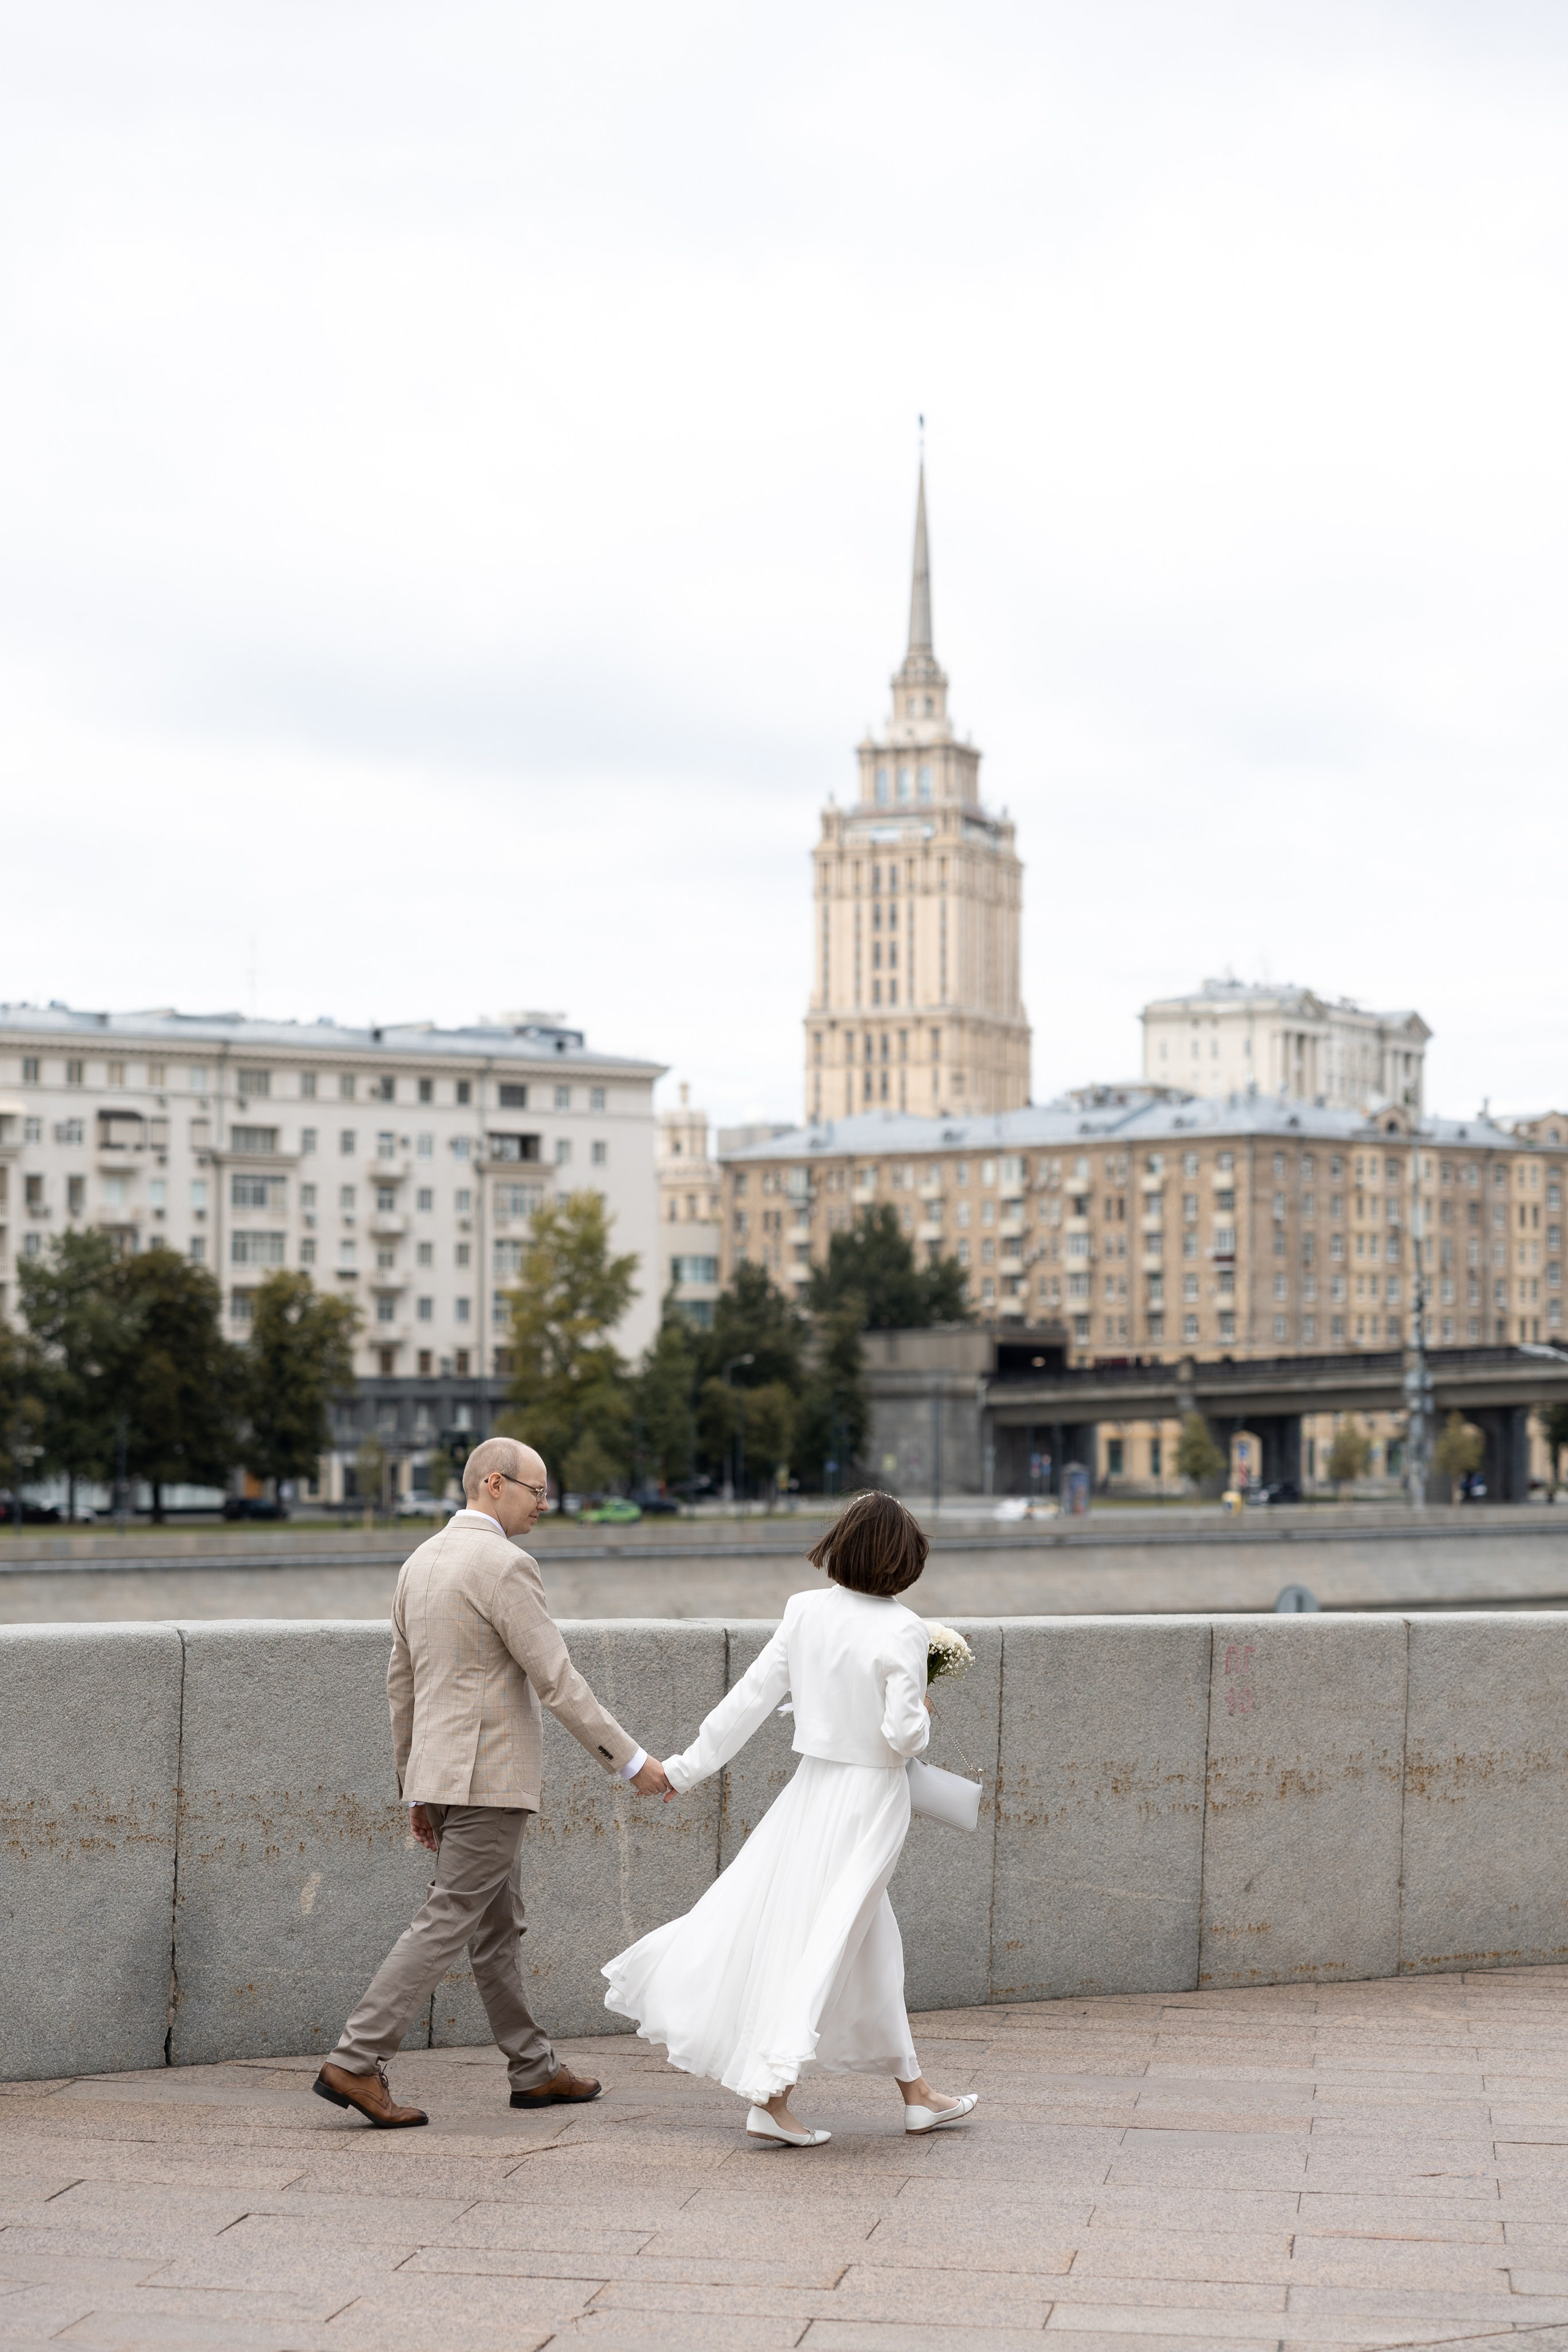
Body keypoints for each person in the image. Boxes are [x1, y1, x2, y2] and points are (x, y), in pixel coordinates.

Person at [602, 1489, 979, 2146]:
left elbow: (749, 1700)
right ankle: (769, 2095)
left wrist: (684, 1769)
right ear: (904, 1558)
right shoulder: (901, 1629)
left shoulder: (804, 1611)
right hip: (869, 1802)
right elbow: (904, 1739)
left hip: (810, 1792)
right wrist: (919, 1703)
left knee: (862, 1939)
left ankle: (917, 2094)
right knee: (831, 1939)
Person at [314, 1436, 670, 2129]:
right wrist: (630, 1762)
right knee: (451, 1916)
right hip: (489, 1776)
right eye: (539, 1491)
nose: (547, 1504)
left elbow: (402, 1685)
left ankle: (533, 2071)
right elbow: (556, 1678)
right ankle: (355, 2060)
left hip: (443, 1774)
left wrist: (415, 1786)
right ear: (495, 1484)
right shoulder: (505, 1565)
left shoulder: (419, 1563)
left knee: (496, 1925)